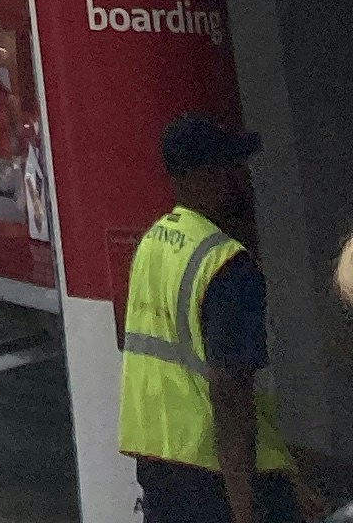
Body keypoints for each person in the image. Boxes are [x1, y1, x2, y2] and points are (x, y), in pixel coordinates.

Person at [120, 115, 298, 523]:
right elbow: (229, 392)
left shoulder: (153, 242)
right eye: (230, 168)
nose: (241, 180)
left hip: (161, 472)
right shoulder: (227, 266)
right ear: (202, 177)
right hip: (219, 479)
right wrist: (244, 509)